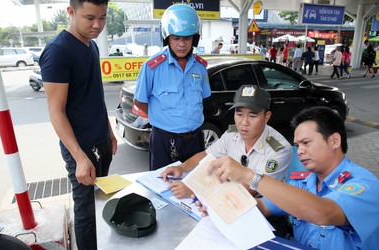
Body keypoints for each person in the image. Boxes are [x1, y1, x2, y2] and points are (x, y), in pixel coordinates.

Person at [197, 106, 379, 250]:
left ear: (334, 141)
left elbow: (323, 212)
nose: (299, 151)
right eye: (297, 145)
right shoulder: (301, 182)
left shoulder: (363, 185)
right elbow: (260, 206)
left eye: (306, 143)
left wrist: (249, 175)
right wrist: (217, 204)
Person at [39, 0, 118, 249]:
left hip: (101, 142)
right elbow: (56, 112)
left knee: (101, 203)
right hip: (81, 149)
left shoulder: (91, 46)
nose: (97, 25)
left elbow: (93, 95)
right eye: (89, 17)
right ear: (70, 12)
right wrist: (80, 158)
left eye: (103, 17)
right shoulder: (58, 51)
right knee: (85, 213)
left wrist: (109, 130)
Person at [161, 85, 292, 199]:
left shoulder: (279, 149)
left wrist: (197, 189)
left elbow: (248, 190)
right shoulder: (232, 134)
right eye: (239, 114)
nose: (244, 122)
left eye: (252, 116)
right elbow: (207, 155)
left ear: (266, 116)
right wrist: (181, 167)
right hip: (225, 197)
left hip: (262, 208)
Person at [134, 4, 211, 171]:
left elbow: (203, 99)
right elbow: (139, 101)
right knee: (162, 187)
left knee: (195, 186)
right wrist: (162, 118)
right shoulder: (152, 67)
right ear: (166, 38)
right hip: (164, 141)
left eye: (187, 38)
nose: (181, 44)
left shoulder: (200, 67)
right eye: (176, 38)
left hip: (195, 140)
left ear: (195, 39)